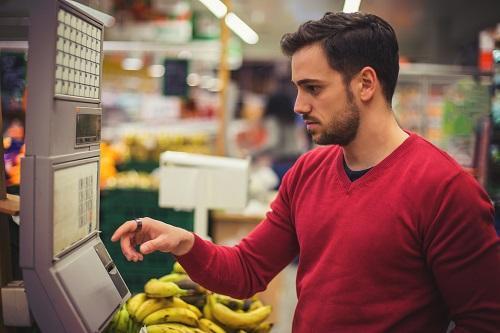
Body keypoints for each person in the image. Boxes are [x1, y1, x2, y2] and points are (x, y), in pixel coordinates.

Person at [112, 12, 500, 332]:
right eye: (298, 88)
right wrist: (185, 243)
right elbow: (247, 270)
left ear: (366, 83)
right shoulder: (308, 172)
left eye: (313, 88)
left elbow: (483, 321)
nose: (299, 105)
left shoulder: (445, 188)